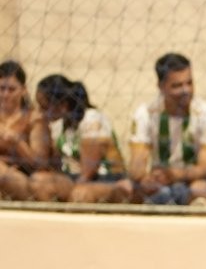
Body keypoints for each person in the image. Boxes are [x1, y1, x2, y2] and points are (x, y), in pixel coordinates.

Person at [128, 52, 206, 206]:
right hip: (161, 184)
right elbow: (136, 166)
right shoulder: (145, 114)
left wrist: (175, 175)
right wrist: (145, 178)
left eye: (189, 83)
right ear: (161, 87)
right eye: (177, 86)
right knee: (129, 189)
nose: (185, 90)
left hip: (195, 182)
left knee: (200, 190)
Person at [28, 75, 132, 205]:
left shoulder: (92, 119)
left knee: (80, 194)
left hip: (104, 179)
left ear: (63, 105)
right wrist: (42, 128)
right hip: (72, 178)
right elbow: (52, 165)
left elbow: (88, 173)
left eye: (44, 107)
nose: (39, 113)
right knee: (38, 181)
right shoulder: (58, 125)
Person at [0, 61, 50, 200]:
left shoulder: (34, 119)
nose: (5, 95)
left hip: (25, 180)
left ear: (23, 90)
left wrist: (17, 142)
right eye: (1, 88)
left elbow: (40, 164)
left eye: (11, 89)